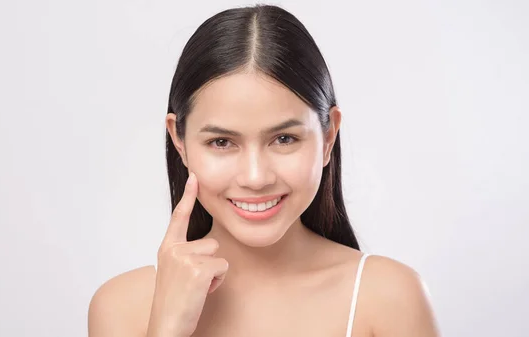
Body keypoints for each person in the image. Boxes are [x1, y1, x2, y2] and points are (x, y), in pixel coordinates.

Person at [88, 4, 439, 337]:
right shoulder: (121, 307)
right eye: (222, 142)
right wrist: (165, 327)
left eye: (284, 139)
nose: (256, 178)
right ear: (179, 141)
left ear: (329, 135)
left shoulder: (390, 297)